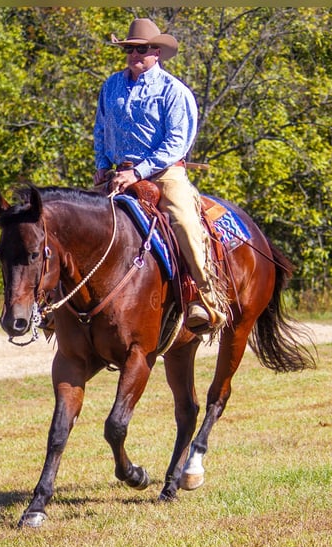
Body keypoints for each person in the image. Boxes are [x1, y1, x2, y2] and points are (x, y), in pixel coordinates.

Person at [93, 18, 226, 333]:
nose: (135, 55)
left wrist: (138, 171)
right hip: (118, 172)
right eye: (129, 49)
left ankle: (206, 299)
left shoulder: (173, 91)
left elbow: (176, 142)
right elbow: (100, 126)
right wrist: (101, 162)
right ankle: (62, 308)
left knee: (184, 222)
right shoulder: (110, 85)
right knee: (76, 225)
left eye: (142, 49)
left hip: (164, 173)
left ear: (157, 52)